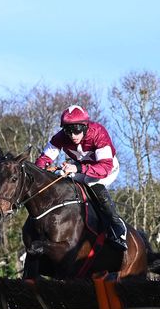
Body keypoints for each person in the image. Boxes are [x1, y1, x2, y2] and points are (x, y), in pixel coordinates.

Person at [35, 105, 127, 250]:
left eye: (77, 129)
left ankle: (117, 226)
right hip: (82, 167)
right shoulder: (60, 137)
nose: (72, 135)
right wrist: (40, 172)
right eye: (68, 130)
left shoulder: (98, 133)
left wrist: (77, 168)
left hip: (107, 168)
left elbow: (104, 167)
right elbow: (43, 159)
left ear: (85, 127)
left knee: (91, 182)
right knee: (60, 177)